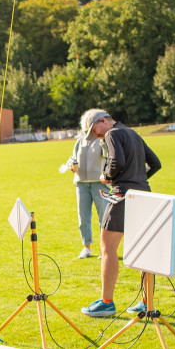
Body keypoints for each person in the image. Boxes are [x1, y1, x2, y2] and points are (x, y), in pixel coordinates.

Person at [81, 112, 162, 318]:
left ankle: (107, 302)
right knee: (143, 249)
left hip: (122, 195)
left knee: (107, 248)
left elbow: (116, 162)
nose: (97, 136)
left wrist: (106, 177)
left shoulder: (112, 134)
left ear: (102, 121)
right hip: (144, 194)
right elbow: (156, 163)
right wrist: (139, 179)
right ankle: (147, 302)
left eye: (94, 131)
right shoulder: (133, 133)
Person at [68, 109, 110, 259]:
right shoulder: (80, 141)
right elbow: (72, 157)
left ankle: (104, 249)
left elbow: (108, 156)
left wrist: (104, 142)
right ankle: (86, 247)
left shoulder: (103, 139)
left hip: (98, 183)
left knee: (103, 217)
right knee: (83, 217)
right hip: (81, 184)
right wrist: (72, 164)